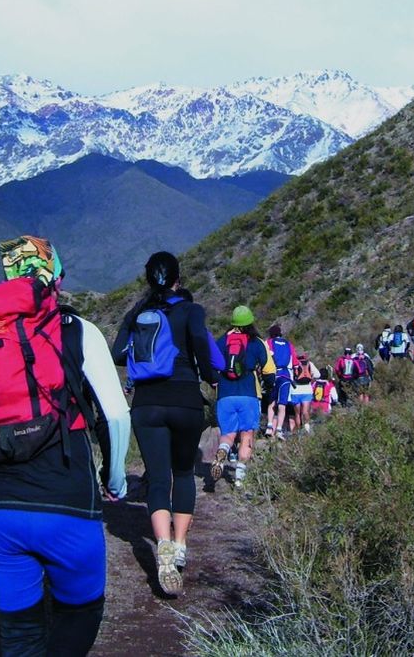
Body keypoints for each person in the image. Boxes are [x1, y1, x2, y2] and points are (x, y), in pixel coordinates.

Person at [0, 235, 130, 656]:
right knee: (81, 613)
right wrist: (114, 478)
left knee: (18, 633)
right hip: (67, 503)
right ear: (55, 275)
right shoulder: (76, 331)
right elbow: (115, 416)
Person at [112, 251, 218, 597]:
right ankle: (180, 541)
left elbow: (117, 354)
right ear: (178, 278)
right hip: (186, 400)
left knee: (158, 477)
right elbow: (202, 345)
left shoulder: (139, 313)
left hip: (147, 405)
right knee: (184, 473)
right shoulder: (191, 310)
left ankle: (163, 547)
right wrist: (210, 376)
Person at [212, 305, 267, 488]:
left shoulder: (221, 341)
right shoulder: (256, 342)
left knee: (228, 434)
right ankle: (239, 478)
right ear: (251, 322)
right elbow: (269, 369)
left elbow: (210, 364)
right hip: (248, 394)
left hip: (225, 394)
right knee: (247, 435)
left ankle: (222, 450)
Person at [265, 324, 297, 440]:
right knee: (282, 404)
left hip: (273, 374)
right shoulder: (289, 344)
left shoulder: (269, 342)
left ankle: (269, 427)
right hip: (286, 376)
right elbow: (294, 362)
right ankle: (279, 430)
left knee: (272, 402)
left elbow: (265, 356)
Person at [289, 352, 320, 435]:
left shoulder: (293, 364)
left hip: (295, 391)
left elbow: (290, 377)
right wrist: (311, 379)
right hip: (307, 390)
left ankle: (299, 431)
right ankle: (307, 428)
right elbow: (318, 375)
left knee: (297, 414)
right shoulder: (309, 364)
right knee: (305, 412)